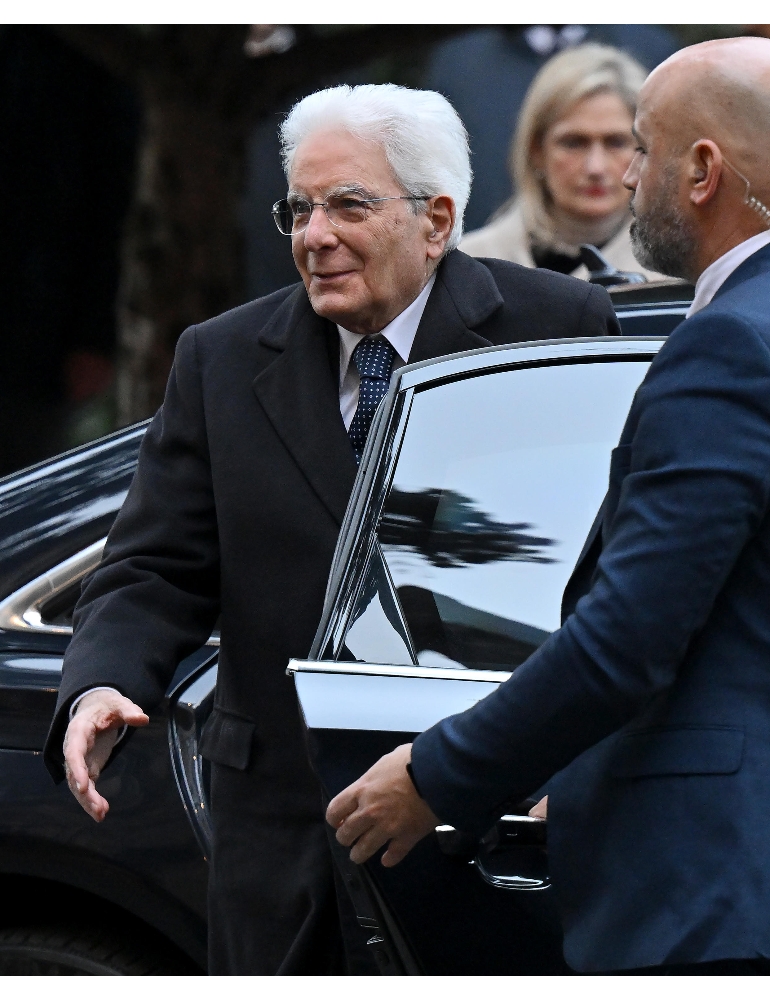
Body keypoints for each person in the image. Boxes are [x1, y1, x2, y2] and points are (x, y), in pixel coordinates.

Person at [44, 83, 619, 975]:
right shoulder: (220, 357)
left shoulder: (555, 326)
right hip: (280, 840)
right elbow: (153, 567)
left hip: (480, 817)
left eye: (348, 205)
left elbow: (604, 569)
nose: (314, 236)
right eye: (298, 209)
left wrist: (569, 765)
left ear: (436, 220)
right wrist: (101, 684)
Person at [327, 38, 770, 974]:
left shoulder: (727, 347)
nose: (627, 176)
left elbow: (627, 642)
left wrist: (436, 775)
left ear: (702, 172)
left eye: (643, 148)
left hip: (711, 894)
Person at [460, 44, 667, 282]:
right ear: (536, 150)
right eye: (574, 143)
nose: (595, 167)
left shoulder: (674, 271)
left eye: (616, 143)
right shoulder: (467, 265)